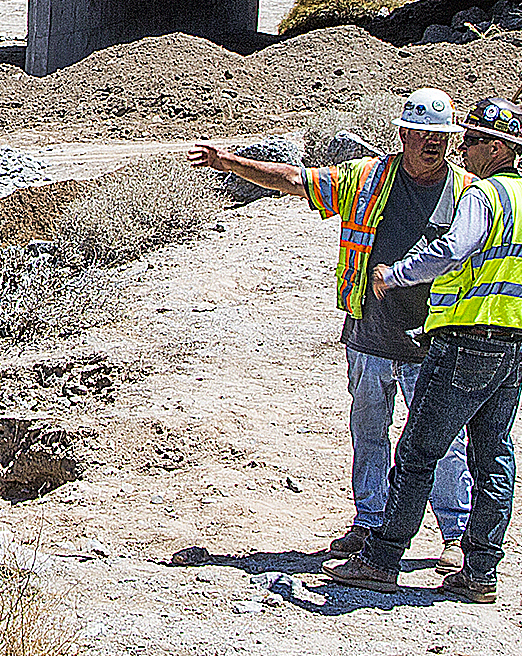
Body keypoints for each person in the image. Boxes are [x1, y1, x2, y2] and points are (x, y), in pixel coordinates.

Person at [189, 88, 474, 571]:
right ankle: (370, 521)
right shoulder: (368, 179)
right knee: (369, 431)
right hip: (369, 333)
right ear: (404, 134)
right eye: (424, 135)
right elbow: (295, 181)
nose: (434, 144)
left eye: (442, 137)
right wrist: (233, 163)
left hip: (435, 335)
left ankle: (455, 532)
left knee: (441, 438)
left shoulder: (469, 190)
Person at [323, 97, 522, 605]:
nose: (459, 147)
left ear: (497, 148)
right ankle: (479, 571)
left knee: (419, 451)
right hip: (515, 344)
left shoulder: (482, 196)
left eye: (470, 140)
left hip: (463, 340)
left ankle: (381, 559)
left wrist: (392, 275)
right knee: (493, 454)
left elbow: (450, 250)